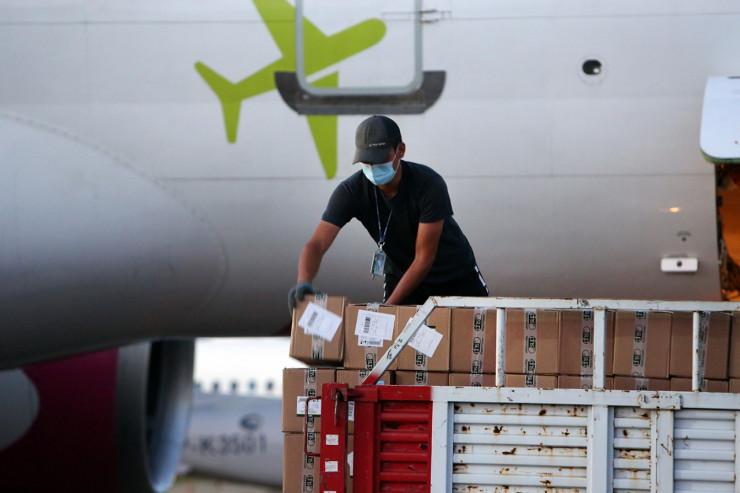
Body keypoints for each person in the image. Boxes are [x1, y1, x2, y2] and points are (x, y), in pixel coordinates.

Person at [288, 115, 488, 312]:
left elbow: (424, 258)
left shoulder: (428, 184)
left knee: (482, 330)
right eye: (366, 161)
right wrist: (304, 281)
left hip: (456, 274)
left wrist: (387, 308)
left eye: (379, 159)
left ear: (400, 150)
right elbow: (317, 243)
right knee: (392, 332)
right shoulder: (351, 191)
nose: (373, 167)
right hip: (402, 277)